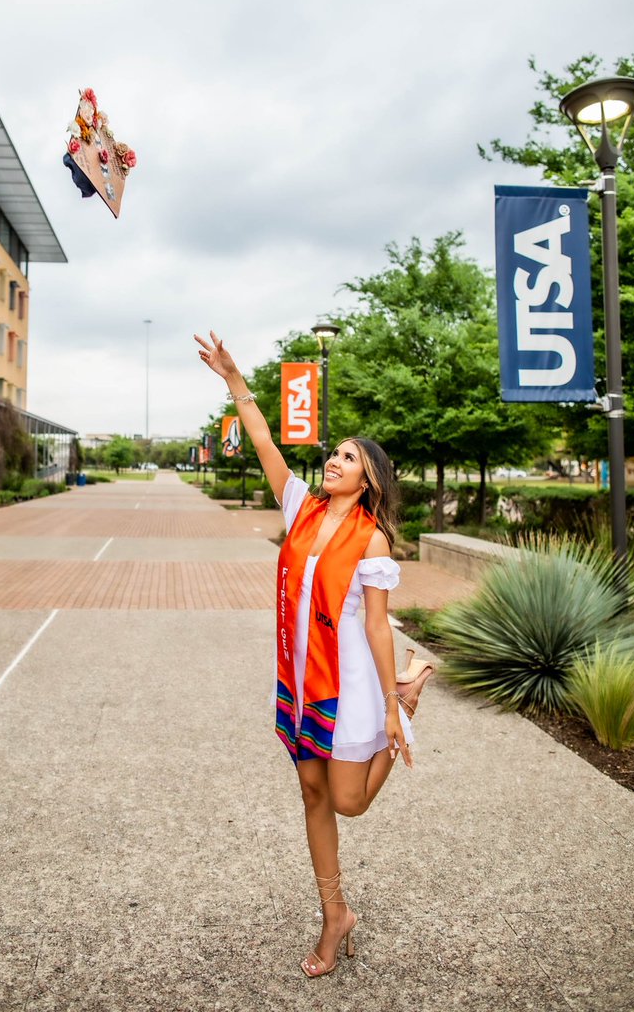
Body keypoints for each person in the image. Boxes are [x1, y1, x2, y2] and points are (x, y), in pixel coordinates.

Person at [195, 330, 434, 978]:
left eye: (348, 458)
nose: (333, 460)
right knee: (310, 793)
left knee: (349, 802)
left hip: (349, 683)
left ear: (368, 478)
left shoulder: (372, 542)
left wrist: (389, 704)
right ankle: (335, 914)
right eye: (333, 453)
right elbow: (267, 441)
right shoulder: (299, 509)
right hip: (298, 680)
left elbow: (379, 629)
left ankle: (407, 702)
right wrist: (233, 381)